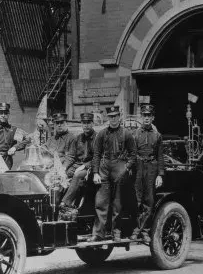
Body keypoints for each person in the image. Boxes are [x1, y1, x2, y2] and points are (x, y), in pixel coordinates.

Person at [91, 104, 136, 241]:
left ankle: (116, 232)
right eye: (110, 117)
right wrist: (95, 173)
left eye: (115, 116)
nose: (113, 119)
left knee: (117, 204)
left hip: (119, 169)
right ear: (108, 118)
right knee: (101, 203)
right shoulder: (102, 134)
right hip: (104, 169)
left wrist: (126, 168)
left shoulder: (126, 134)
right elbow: (96, 154)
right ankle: (98, 234)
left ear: (119, 116)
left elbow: (133, 154)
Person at [131, 103, 165, 243]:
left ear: (153, 118)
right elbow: (131, 154)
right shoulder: (135, 134)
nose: (146, 118)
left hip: (151, 168)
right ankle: (135, 230)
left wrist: (160, 175)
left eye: (149, 116)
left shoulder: (157, 135)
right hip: (138, 167)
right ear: (141, 117)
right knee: (136, 200)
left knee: (149, 201)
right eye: (144, 115)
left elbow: (160, 156)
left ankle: (144, 232)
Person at [60, 112, 96, 214]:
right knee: (60, 175)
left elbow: (98, 158)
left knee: (77, 175)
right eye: (84, 123)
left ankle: (65, 203)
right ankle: (56, 203)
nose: (86, 125)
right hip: (77, 165)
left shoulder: (97, 138)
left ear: (92, 123)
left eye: (88, 123)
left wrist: (85, 165)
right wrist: (64, 167)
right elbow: (71, 156)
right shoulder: (78, 138)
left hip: (91, 167)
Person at [0, 102, 30, 171]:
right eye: (1, 113)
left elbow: (28, 139)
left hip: (6, 161)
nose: (3, 115)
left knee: (5, 180)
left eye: (5, 113)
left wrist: (15, 147)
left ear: (8, 114)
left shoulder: (13, 130)